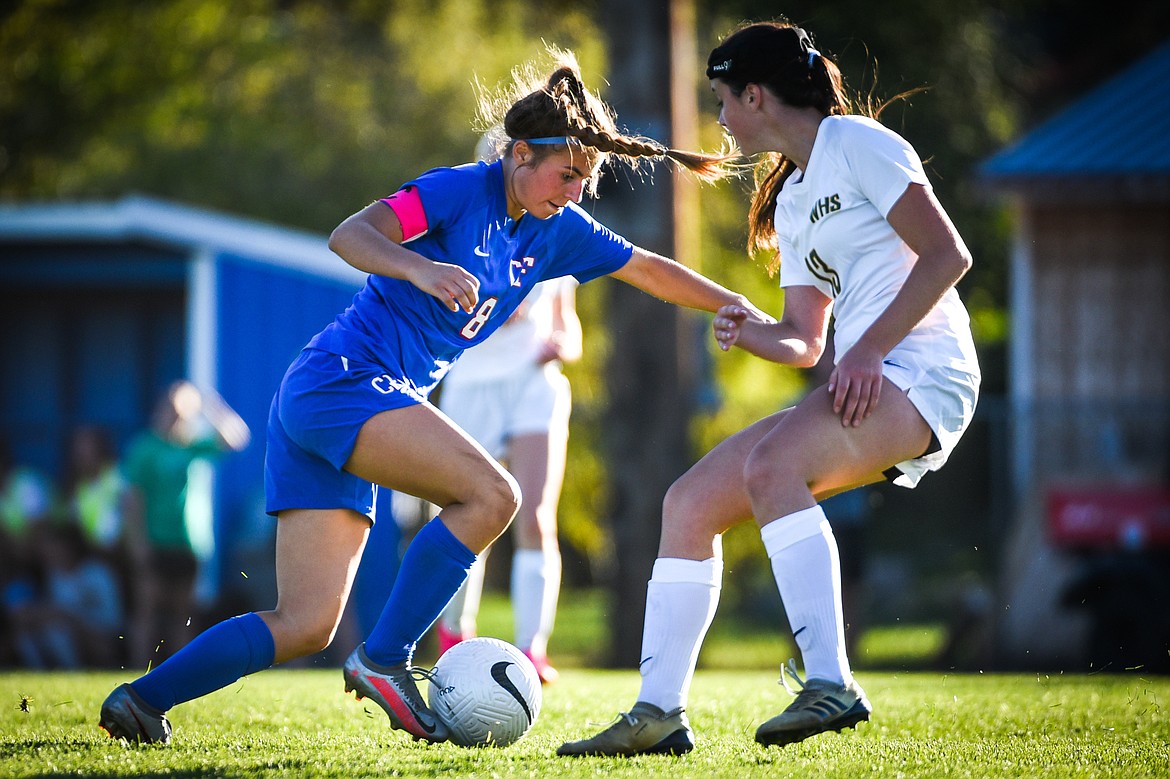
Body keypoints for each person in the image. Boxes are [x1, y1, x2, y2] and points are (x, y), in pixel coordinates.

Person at [97, 47, 760, 746]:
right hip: (340, 382)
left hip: (340, 401)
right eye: (567, 174)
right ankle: (385, 658)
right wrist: (422, 268)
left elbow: (647, 268)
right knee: (493, 496)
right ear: (520, 154)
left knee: (306, 623)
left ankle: (142, 698)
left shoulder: (555, 230)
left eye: (585, 181)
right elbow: (350, 234)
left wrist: (736, 305)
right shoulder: (456, 191)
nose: (574, 191)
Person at [558, 21, 980, 756]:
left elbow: (950, 253)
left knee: (771, 468)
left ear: (757, 93)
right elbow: (806, 341)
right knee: (687, 504)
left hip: (929, 374)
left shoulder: (860, 145)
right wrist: (748, 330)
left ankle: (832, 682)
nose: (720, 118)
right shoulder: (789, 197)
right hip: (871, 375)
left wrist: (871, 349)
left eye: (724, 98)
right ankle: (657, 712)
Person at [433, 273, 582, 684]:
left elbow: (567, 325)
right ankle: (455, 633)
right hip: (471, 387)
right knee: (466, 517)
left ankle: (531, 650)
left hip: (535, 385)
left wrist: (562, 346)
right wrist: (493, 308)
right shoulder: (475, 229)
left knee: (536, 517)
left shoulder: (558, 240)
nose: (563, 203)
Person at [121, 381, 251, 667]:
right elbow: (132, 500)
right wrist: (137, 542)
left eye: (182, 412)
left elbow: (236, 439)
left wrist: (211, 406)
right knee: (148, 610)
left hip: (189, 541)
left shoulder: (194, 446)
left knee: (184, 613)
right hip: (155, 541)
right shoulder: (145, 448)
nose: (175, 417)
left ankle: (177, 671)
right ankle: (135, 670)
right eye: (171, 410)